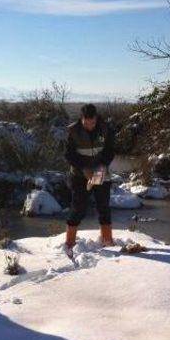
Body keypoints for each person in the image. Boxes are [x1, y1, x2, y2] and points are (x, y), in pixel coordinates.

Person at [64, 104, 115, 255]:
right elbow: (68, 155)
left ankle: (107, 240)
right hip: (80, 175)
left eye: (92, 123)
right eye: (86, 123)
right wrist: (84, 169)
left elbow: (110, 150)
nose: (90, 126)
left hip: (100, 172)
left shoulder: (105, 128)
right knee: (78, 207)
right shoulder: (72, 130)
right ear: (82, 119)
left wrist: (103, 165)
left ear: (96, 118)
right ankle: (70, 242)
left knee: (103, 206)